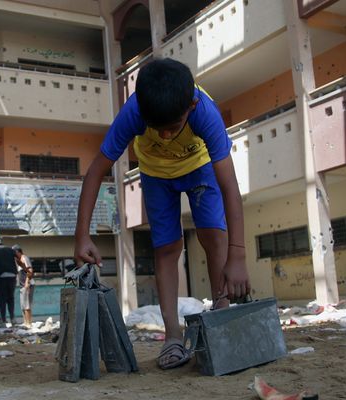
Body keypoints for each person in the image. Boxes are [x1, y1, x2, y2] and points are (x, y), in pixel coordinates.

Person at [73, 58, 250, 370]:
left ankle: (222, 316)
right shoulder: (135, 110)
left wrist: (238, 255)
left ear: (191, 106)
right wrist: (82, 235)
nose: (165, 137)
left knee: (213, 235)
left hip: (200, 168)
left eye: (172, 128)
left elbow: (229, 187)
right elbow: (97, 170)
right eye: (158, 129)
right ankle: (171, 337)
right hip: (155, 175)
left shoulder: (205, 113)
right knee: (167, 248)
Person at [12, 244, 35, 327]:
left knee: (27, 306)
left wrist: (27, 282)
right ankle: (25, 323)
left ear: (18, 252)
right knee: (23, 306)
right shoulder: (19, 261)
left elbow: (30, 271)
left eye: (14, 253)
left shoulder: (25, 258)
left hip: (27, 284)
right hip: (22, 286)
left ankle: (29, 323)